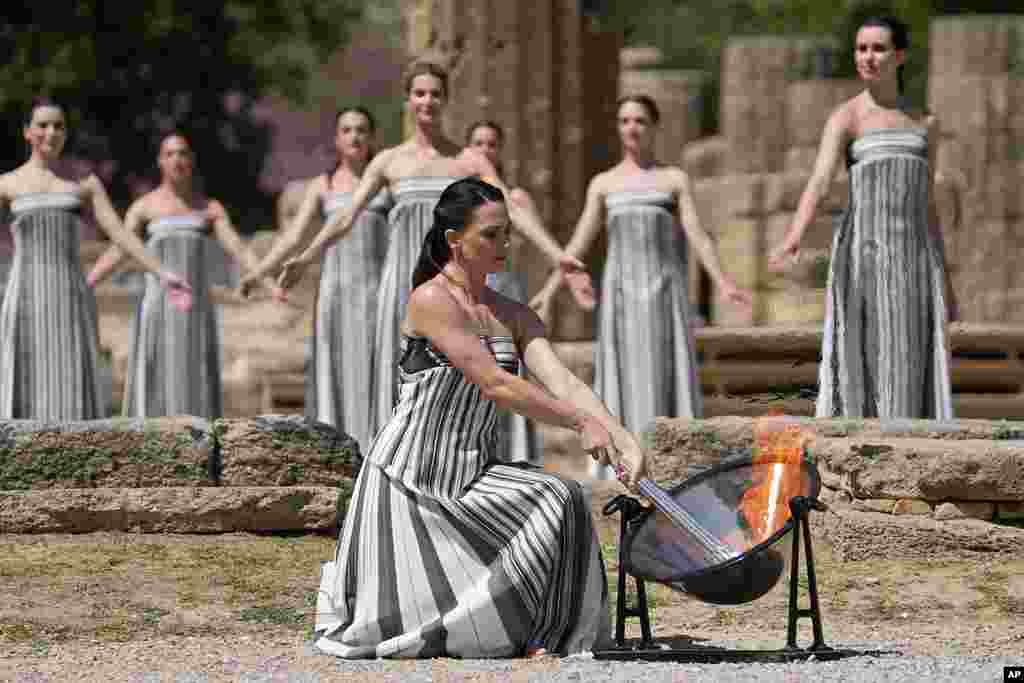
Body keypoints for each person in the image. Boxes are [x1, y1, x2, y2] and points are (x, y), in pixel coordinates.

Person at [313, 177, 647, 659]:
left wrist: (623, 438)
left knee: (565, 498)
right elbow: (496, 383)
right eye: (491, 234)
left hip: (473, 474)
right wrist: (579, 425)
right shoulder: (431, 300)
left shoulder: (513, 313)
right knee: (554, 497)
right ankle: (487, 623)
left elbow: (566, 383)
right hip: (411, 483)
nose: (504, 244)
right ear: (454, 239)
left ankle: (549, 638)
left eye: (507, 233)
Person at [242, 59, 593, 441]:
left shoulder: (467, 161)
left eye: (436, 94)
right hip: (402, 286)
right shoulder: (389, 162)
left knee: (456, 375)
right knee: (401, 377)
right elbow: (345, 219)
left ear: (446, 101)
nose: (428, 101)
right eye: (420, 93)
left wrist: (555, 254)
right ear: (408, 100)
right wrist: (308, 256)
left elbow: (510, 208)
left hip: (454, 287)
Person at [531, 95, 752, 478]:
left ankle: (675, 458)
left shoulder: (673, 180)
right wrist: (551, 290)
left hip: (664, 293)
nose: (632, 128)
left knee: (668, 369)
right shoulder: (604, 184)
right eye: (625, 121)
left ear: (654, 127)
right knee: (622, 372)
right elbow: (578, 246)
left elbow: (697, 235)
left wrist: (723, 282)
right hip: (621, 296)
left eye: (640, 121)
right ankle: (620, 456)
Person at [768, 16, 955, 419]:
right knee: (865, 351)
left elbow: (929, 204)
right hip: (863, 253)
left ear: (899, 55)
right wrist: (794, 235)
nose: (868, 57)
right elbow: (819, 181)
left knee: (910, 353)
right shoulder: (846, 118)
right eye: (861, 48)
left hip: (913, 259)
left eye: (878, 48)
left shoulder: (925, 122)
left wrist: (946, 278)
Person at [0, 98, 191, 420]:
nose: (51, 132)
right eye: (43, 125)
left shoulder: (84, 185)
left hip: (70, 294)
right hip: (26, 295)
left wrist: (161, 272)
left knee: (70, 378)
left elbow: (120, 234)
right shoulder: (7, 183)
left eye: (59, 126)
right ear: (27, 132)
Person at [87, 132, 272, 418]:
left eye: (183, 153)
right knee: (157, 369)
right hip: (157, 305)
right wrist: (87, 282)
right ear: (161, 161)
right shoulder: (144, 207)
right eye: (170, 154)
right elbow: (119, 250)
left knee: (193, 370)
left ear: (192, 160)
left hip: (196, 309)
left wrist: (269, 281)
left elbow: (237, 247)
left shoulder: (209, 209)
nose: (177, 159)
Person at [262, 107, 391, 449]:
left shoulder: (386, 184)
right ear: (337, 139)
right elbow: (292, 236)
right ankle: (338, 443)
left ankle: (379, 444)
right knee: (337, 365)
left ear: (372, 137)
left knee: (378, 366)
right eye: (347, 130)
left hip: (377, 288)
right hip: (335, 291)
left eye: (362, 129)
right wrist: (262, 270)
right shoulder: (324, 185)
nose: (355, 136)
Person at [465, 120, 552, 466]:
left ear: (500, 150)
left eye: (491, 144)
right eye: (478, 143)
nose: (485, 150)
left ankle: (514, 456)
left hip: (504, 293)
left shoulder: (515, 198)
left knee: (508, 374)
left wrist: (550, 285)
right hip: (468, 296)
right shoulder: (459, 201)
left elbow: (533, 236)